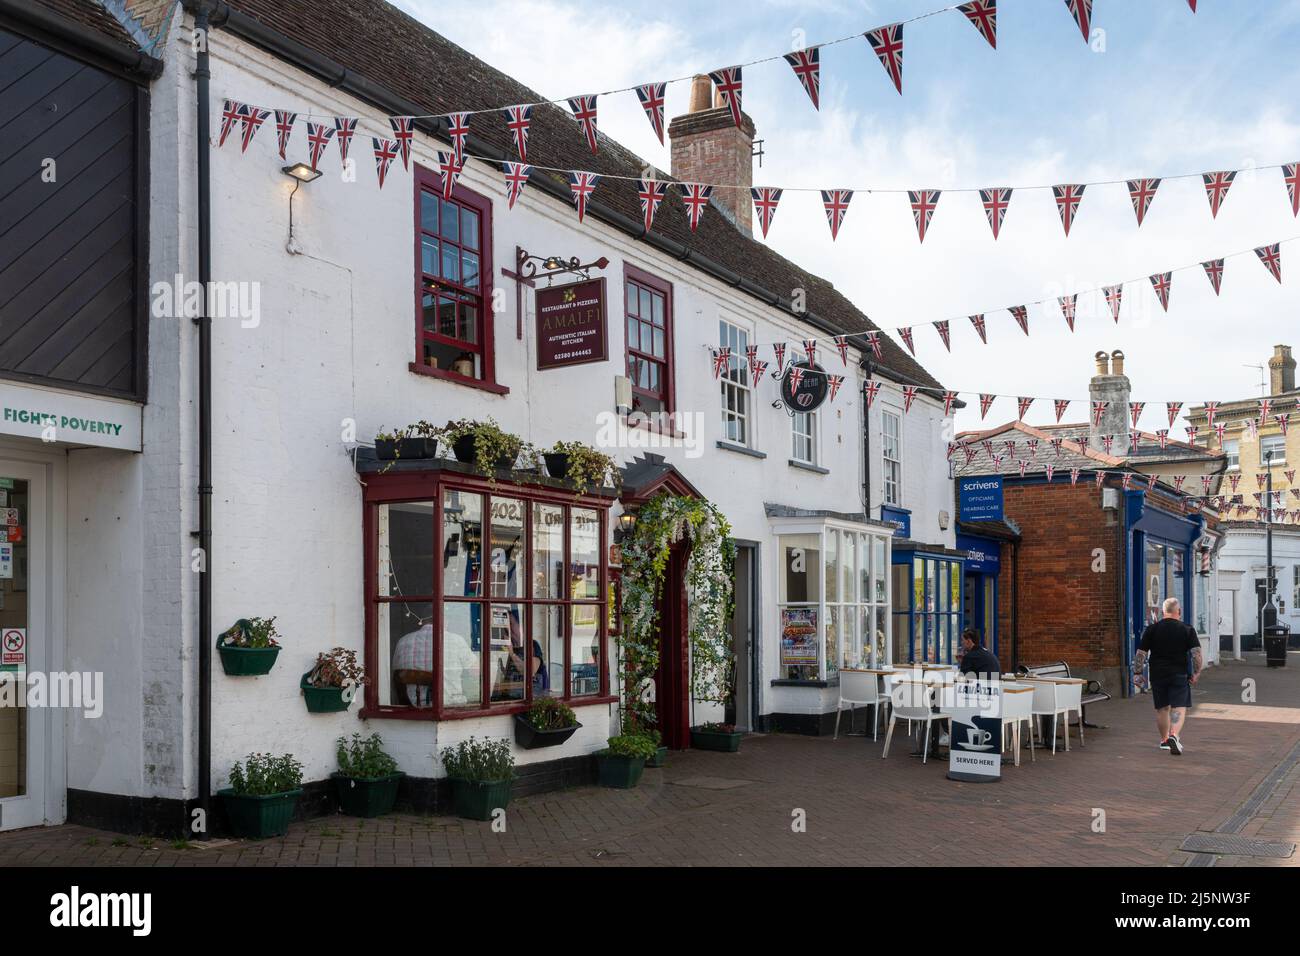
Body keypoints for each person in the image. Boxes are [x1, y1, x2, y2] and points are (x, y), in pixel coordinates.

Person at [1135, 597, 1202, 755]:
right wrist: (1197, 672)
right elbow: (1196, 654)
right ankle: (1174, 734)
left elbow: (1141, 653)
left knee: (1162, 708)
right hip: (1179, 673)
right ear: (1179, 612)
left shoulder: (1152, 629)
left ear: (1163, 612)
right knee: (1179, 707)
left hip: (1158, 674)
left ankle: (1164, 740)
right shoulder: (1187, 629)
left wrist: (1137, 673)